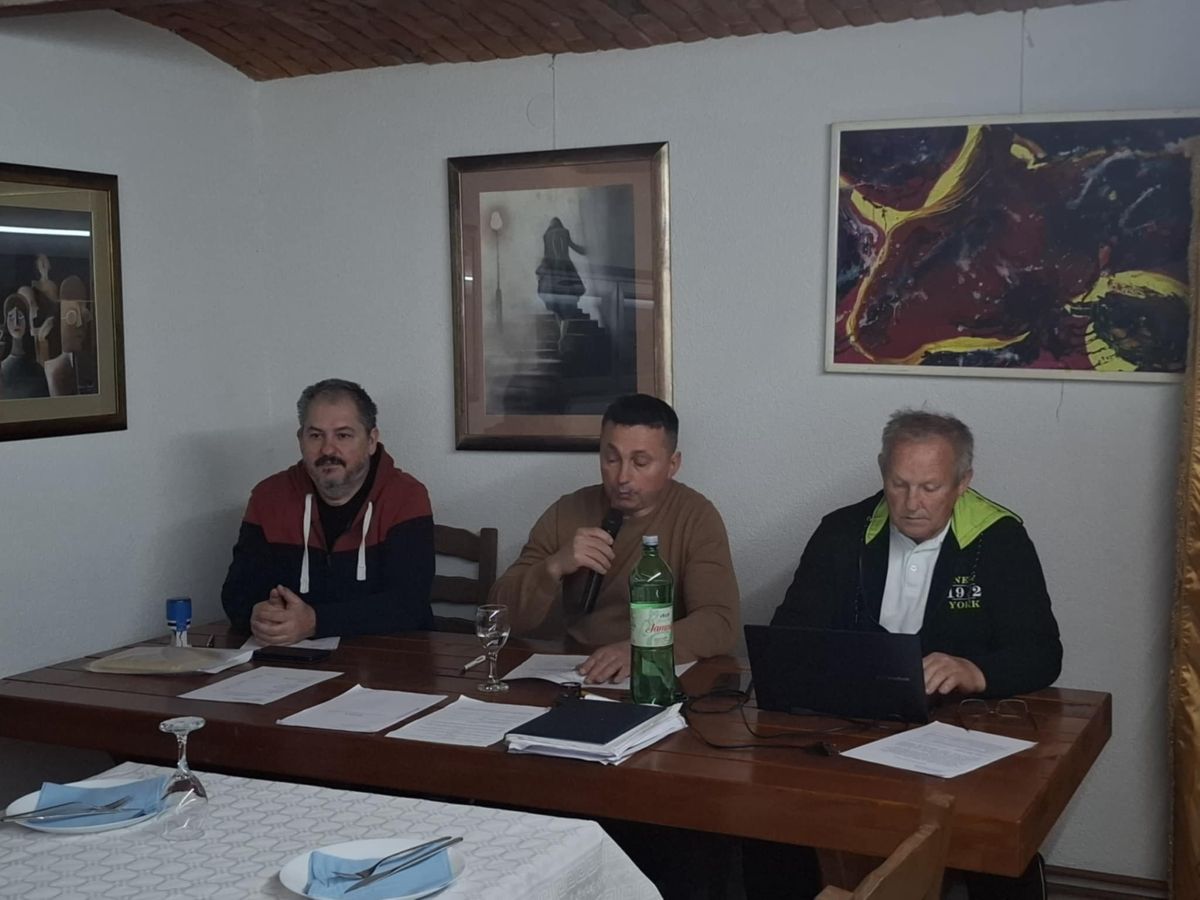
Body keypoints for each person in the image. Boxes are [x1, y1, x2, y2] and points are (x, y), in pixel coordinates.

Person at [760, 408, 1061, 899]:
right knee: (772, 815)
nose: (911, 503)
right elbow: (789, 636)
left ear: (963, 483)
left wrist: (975, 670)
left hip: (962, 735)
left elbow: (1043, 652)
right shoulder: (842, 531)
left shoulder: (1000, 539)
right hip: (851, 728)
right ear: (883, 471)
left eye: (930, 487)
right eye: (898, 485)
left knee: (994, 835)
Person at [490, 392, 739, 683]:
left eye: (640, 462)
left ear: (672, 465)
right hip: (575, 671)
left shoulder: (696, 516)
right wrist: (553, 567)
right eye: (611, 459)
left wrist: (642, 648)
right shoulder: (567, 511)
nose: (622, 477)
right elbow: (497, 615)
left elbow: (720, 621)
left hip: (656, 674)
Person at [221, 379, 435, 644]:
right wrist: (259, 613)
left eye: (343, 435)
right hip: (290, 655)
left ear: (371, 441)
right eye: (315, 435)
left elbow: (409, 605)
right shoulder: (268, 497)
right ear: (300, 440)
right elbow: (236, 594)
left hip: (391, 655)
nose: (327, 449)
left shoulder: (406, 496)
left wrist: (315, 621)